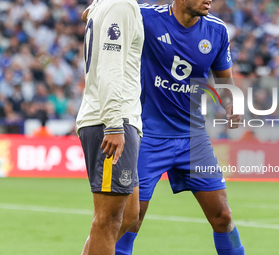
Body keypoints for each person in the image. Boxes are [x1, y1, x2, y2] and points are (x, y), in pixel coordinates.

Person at [83, 0, 245, 254]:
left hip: (193, 138)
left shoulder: (217, 30)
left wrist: (232, 105)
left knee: (223, 216)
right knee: (130, 220)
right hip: (148, 136)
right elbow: (104, 12)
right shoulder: (146, 16)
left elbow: (226, 83)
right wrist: (94, 10)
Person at [76, 0, 144, 254]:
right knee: (108, 220)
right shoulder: (121, 4)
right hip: (112, 120)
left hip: (120, 119)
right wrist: (114, 125)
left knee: (129, 216)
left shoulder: (112, 4)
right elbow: (110, 68)